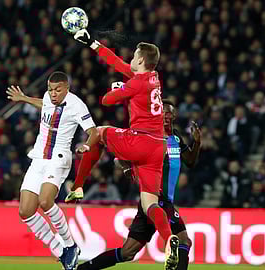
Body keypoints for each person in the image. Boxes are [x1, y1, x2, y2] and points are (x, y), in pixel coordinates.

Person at [66, 29, 179, 270]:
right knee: (150, 204)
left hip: (140, 141)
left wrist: (118, 89)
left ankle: (77, 186)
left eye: (134, 55)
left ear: (140, 59)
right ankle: (169, 239)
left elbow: (106, 100)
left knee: (100, 131)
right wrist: (93, 44)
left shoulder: (137, 83)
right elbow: (117, 63)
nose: (130, 58)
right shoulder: (153, 78)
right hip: (158, 148)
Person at [76, 100, 202, 270]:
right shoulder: (149, 136)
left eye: (169, 112)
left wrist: (197, 143)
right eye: (162, 112)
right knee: (184, 241)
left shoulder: (176, 138)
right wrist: (127, 168)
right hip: (157, 198)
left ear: (174, 115)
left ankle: (84, 269)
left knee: (127, 252)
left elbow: (191, 161)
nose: (166, 115)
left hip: (154, 203)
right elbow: (121, 156)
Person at [6, 71, 99, 270]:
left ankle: (71, 245)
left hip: (59, 158)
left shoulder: (77, 105)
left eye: (58, 90)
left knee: (45, 201)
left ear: (67, 88)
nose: (53, 93)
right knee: (25, 211)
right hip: (39, 157)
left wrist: (87, 146)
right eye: (50, 89)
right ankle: (60, 251)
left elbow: (94, 131)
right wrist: (23, 98)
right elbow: (44, 103)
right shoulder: (48, 97)